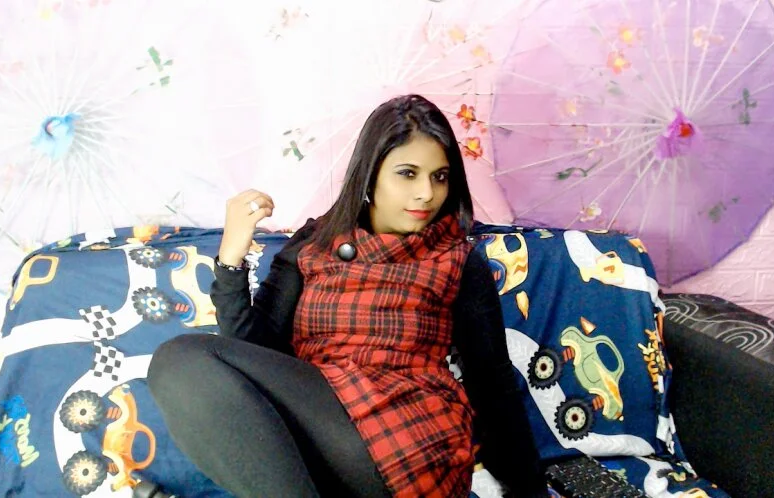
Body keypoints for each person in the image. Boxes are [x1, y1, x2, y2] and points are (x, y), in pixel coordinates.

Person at [147, 94, 545, 497]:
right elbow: (252, 356)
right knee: (180, 367)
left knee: (180, 360)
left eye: (439, 177)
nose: (426, 193)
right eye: (408, 174)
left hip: (410, 437)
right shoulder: (314, 245)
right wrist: (232, 257)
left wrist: (529, 490)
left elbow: (493, 385)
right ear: (370, 174)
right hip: (325, 435)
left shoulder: (455, 258)